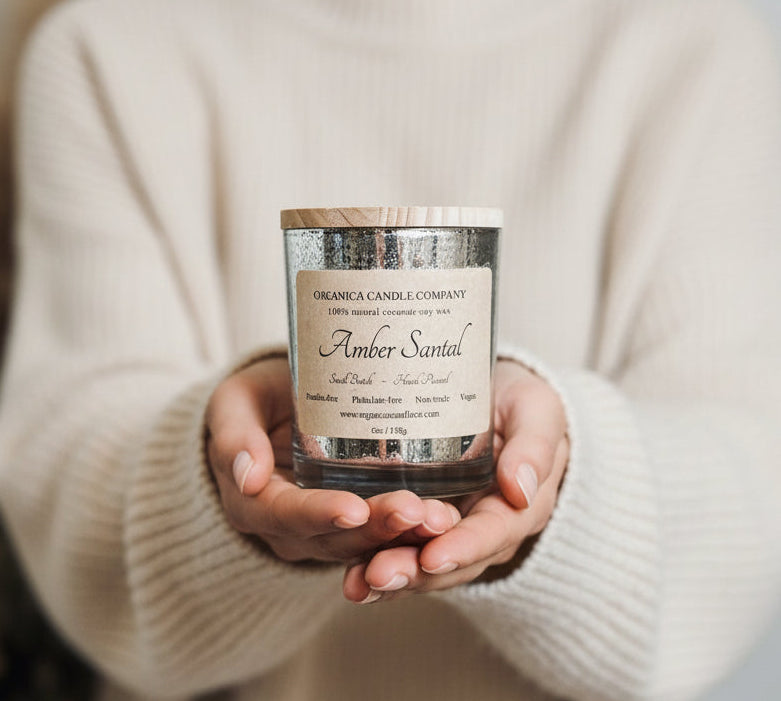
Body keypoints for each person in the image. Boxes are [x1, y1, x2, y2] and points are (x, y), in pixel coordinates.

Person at [1, 0, 780, 699]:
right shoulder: (107, 48)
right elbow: (62, 487)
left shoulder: (697, 50)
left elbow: (744, 508)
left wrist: (558, 488)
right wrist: (218, 490)